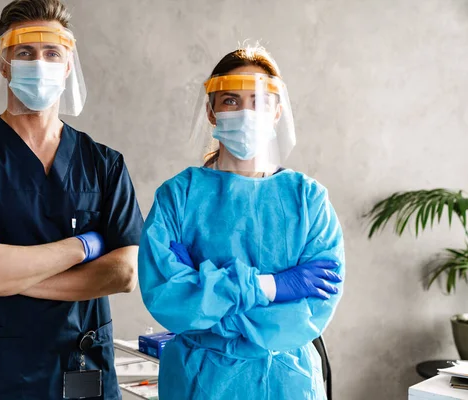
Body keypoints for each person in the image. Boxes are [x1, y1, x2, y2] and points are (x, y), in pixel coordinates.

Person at [0, 1, 142, 398]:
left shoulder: (104, 164)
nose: (39, 63)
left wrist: (5, 272)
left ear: (68, 64)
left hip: (78, 363)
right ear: (3, 63)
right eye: (25, 52)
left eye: (51, 53)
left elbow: (124, 274)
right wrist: (83, 246)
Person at [138, 45, 345, 400]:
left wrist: (205, 296)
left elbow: (313, 310)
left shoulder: (308, 200)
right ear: (211, 111)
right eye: (231, 100)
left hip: (285, 381)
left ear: (277, 111)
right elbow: (166, 297)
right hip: (198, 381)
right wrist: (272, 287)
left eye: (259, 101)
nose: (246, 112)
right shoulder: (179, 197)